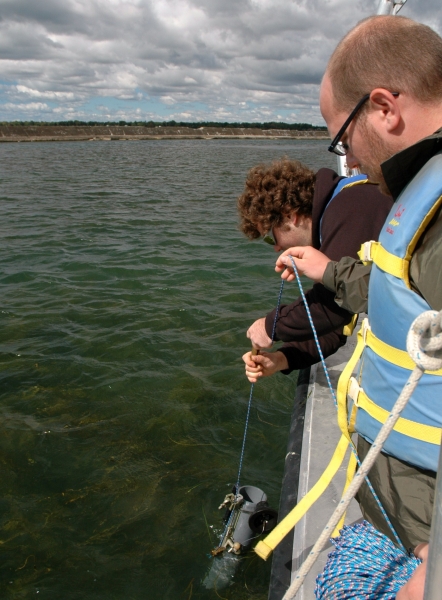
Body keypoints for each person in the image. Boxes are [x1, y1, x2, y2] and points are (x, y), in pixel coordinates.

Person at [275, 13, 442, 596]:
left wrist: (427, 580)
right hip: (402, 514)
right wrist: (325, 268)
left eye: (342, 136)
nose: (346, 156)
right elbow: (406, 296)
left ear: (384, 108)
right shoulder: (419, 193)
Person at [238, 158, 392, 382]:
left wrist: (269, 326)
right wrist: (281, 358)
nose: (277, 248)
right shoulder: (336, 211)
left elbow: (329, 310)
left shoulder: (350, 207)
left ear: (290, 215)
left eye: (272, 237)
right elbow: (335, 325)